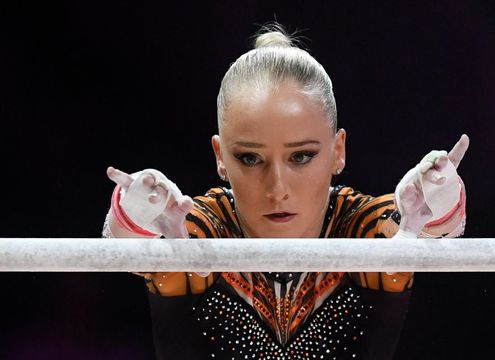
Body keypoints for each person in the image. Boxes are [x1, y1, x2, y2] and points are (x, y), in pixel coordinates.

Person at [102, 24, 469, 360]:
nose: (277, 188)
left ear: (337, 150)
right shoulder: (201, 229)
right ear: (220, 157)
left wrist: (440, 200)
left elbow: (426, 226)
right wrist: (134, 212)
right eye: (250, 158)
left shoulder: (360, 227)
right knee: (176, 255)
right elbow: (128, 246)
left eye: (301, 157)